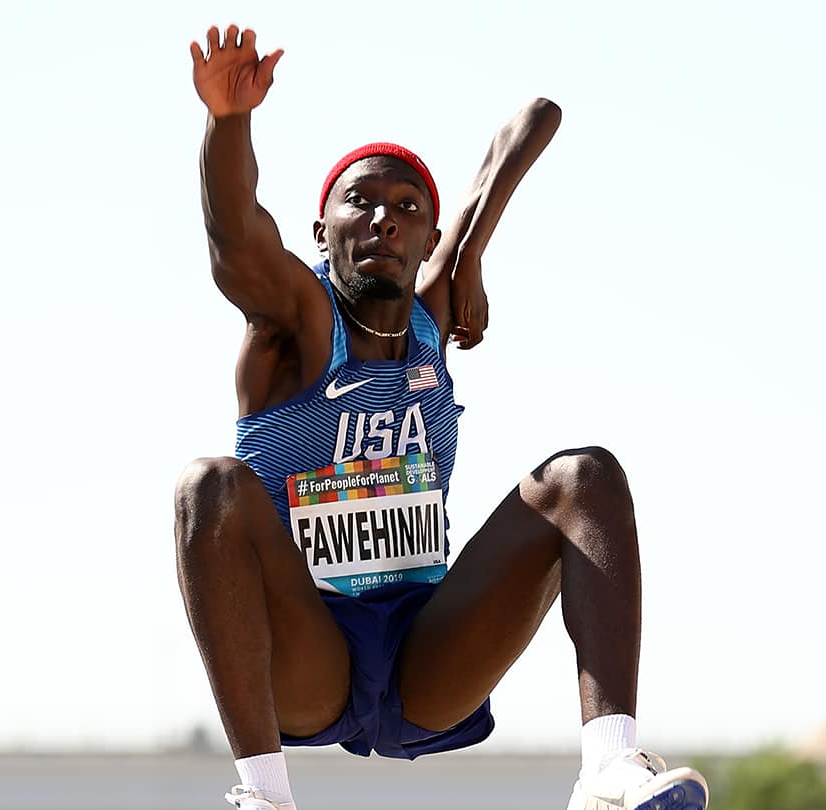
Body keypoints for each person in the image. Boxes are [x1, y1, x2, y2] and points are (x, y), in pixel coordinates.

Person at [178, 24, 710, 810]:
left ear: (428, 236)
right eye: (359, 202)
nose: (384, 218)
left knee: (583, 477)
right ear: (322, 232)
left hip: (428, 653)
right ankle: (264, 796)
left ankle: (607, 772)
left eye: (405, 208)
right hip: (305, 650)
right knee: (209, 487)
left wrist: (474, 252)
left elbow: (534, 119)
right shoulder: (294, 321)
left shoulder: (431, 314)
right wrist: (229, 123)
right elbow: (234, 236)